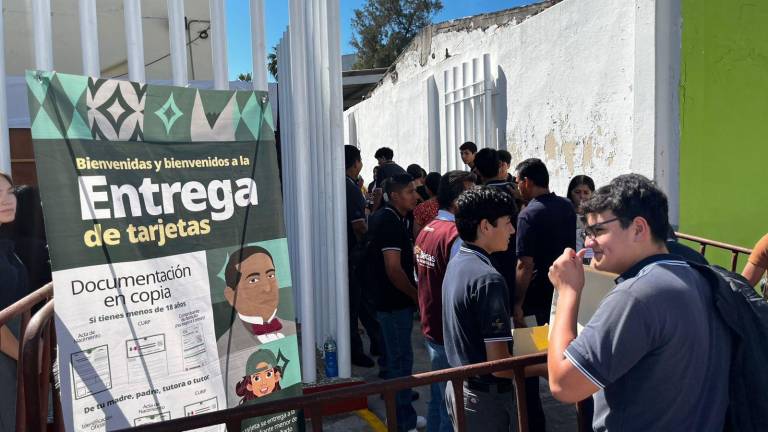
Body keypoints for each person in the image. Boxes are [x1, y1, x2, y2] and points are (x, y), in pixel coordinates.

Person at [547, 174, 732, 431]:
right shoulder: (700, 277)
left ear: (638, 229)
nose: (589, 242)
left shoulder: (636, 295)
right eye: (587, 232)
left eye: (598, 230)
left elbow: (563, 385)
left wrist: (568, 291)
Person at [442, 186, 518, 431]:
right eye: (507, 223)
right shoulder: (488, 279)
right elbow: (499, 367)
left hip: (460, 388)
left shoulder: (459, 261)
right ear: (485, 226)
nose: (512, 230)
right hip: (484, 400)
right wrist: (549, 365)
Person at [513, 158, 575, 431]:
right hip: (561, 296)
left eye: (517, 182)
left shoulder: (528, 215)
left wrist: (517, 302)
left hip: (535, 302)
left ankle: (533, 422)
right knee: (564, 353)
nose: (517, 188)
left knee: (527, 363)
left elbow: (524, 265)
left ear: (527, 181)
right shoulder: (566, 207)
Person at [414, 170, 475, 432]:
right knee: (453, 405)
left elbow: (419, 276)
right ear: (458, 200)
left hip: (432, 327)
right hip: (449, 333)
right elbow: (462, 289)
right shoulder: (455, 235)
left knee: (439, 397)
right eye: (471, 193)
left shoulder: (428, 229)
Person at [366, 173, 425, 431]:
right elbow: (393, 268)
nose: (416, 196)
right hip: (393, 304)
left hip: (388, 302)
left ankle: (401, 416)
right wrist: (415, 294)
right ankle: (403, 422)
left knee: (395, 362)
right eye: (410, 191)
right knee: (401, 363)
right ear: (396, 196)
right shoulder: (389, 221)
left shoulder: (391, 217)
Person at [344, 145, 380, 368]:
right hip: (354, 255)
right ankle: (357, 350)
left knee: (361, 304)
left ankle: (376, 342)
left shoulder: (342, 184)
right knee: (357, 303)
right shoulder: (350, 188)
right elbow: (359, 227)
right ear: (356, 163)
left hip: (347, 254)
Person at [0, 172, 30, 431]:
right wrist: (26, 353)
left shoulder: (6, 244)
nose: (6, 200)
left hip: (13, 357)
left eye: (10, 192)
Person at [566, 175, 595, 250]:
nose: (581, 196)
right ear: (570, 193)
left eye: (586, 193)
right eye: (577, 192)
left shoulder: (596, 217)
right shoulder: (564, 215)